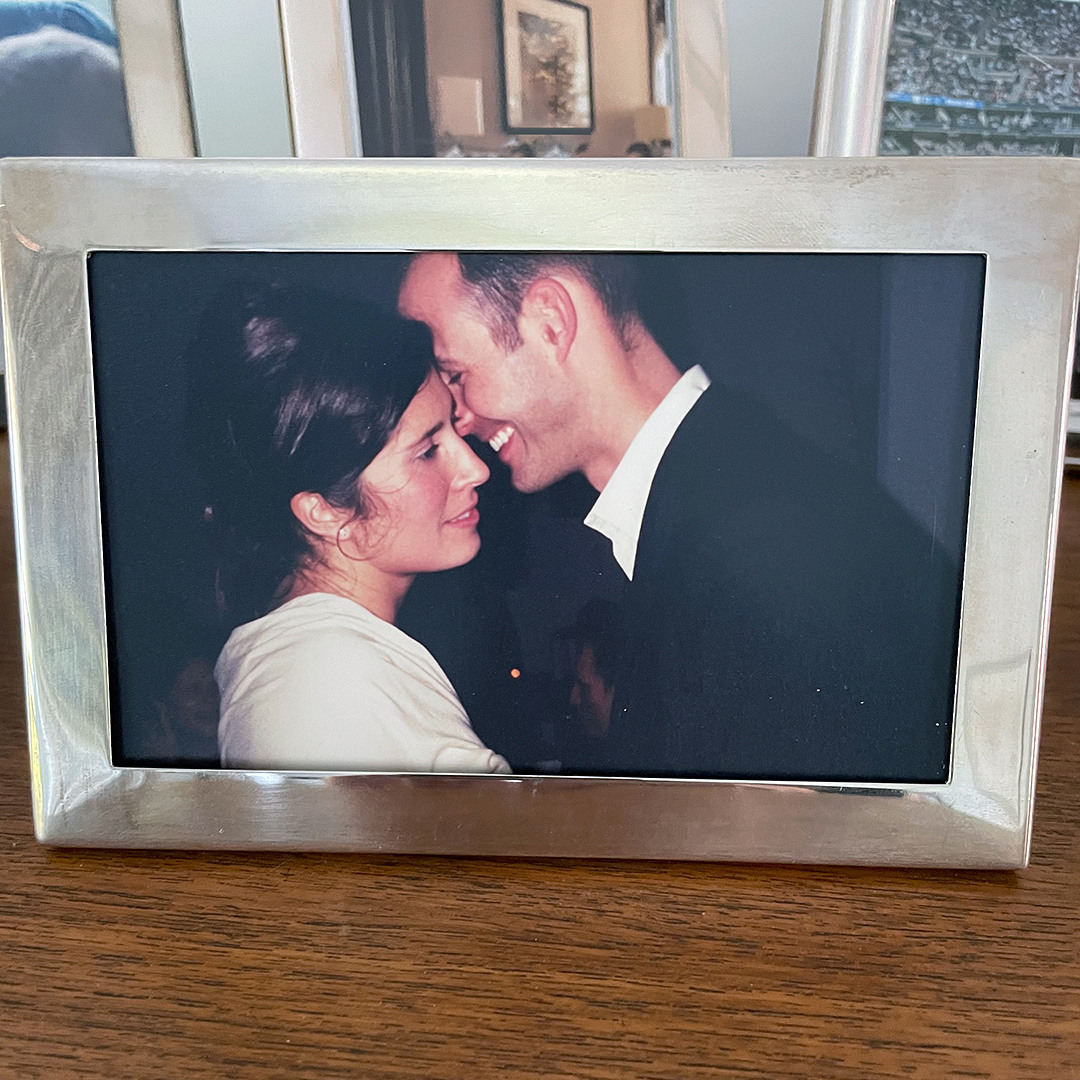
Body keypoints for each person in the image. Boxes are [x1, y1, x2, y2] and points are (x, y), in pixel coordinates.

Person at [398, 252, 958, 782]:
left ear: (550, 321)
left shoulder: (756, 542)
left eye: (454, 373)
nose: (459, 416)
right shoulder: (725, 493)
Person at [189, 284, 509, 774]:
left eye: (453, 430)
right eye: (427, 451)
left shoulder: (317, 662)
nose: (475, 469)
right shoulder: (333, 681)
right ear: (324, 511)